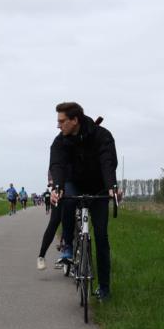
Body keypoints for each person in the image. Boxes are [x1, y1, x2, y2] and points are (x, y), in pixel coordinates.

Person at [49, 102, 118, 300]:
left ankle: (104, 289)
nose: (58, 126)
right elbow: (57, 165)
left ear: (75, 120)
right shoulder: (60, 141)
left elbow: (107, 162)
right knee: (67, 200)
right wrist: (57, 188)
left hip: (98, 187)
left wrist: (112, 186)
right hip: (73, 183)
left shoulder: (101, 135)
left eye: (62, 121)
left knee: (102, 237)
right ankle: (68, 246)